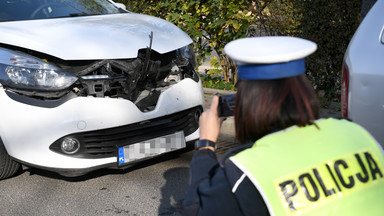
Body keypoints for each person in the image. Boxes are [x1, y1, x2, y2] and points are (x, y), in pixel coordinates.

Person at [182, 36, 384, 216]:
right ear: (303, 90)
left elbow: (196, 208)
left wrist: (206, 144)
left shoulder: (246, 170)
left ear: (248, 102)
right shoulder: (356, 132)